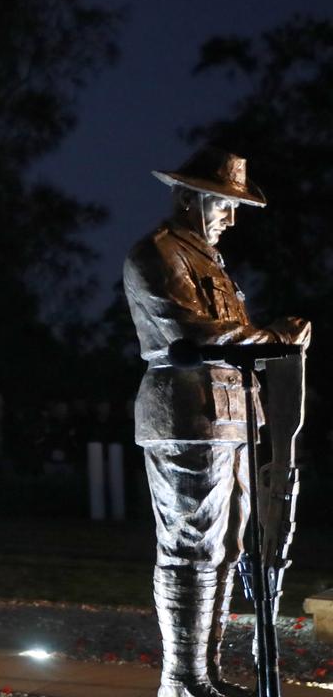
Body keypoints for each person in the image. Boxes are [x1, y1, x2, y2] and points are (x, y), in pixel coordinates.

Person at [123, 147, 311, 697]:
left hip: (231, 414)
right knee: (190, 545)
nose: (231, 217)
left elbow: (228, 333)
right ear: (187, 198)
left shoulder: (208, 262)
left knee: (228, 544)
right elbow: (197, 333)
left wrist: (272, 342)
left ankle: (203, 676)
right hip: (184, 413)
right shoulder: (156, 255)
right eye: (224, 204)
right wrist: (274, 338)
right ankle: (181, 679)